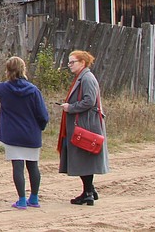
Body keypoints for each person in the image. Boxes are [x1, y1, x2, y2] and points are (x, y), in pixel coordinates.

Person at [0, 56, 49, 209]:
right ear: (23, 69)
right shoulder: (34, 90)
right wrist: (40, 127)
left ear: (7, 71)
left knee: (17, 166)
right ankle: (34, 198)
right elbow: (43, 115)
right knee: (33, 166)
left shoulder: (3, 89)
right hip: (31, 133)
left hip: (12, 134)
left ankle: (21, 200)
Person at [58, 49, 109, 205]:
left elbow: (89, 101)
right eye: (69, 62)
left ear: (82, 63)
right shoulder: (82, 78)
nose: (70, 65)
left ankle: (88, 192)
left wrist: (71, 108)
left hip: (86, 125)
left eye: (72, 62)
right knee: (82, 158)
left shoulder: (87, 78)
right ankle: (90, 189)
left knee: (84, 158)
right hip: (83, 124)